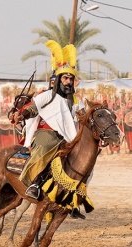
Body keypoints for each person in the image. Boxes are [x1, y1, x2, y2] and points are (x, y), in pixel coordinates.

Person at [12, 40, 85, 217]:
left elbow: (84, 116)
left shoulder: (75, 101)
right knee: (45, 148)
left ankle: (73, 199)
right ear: (59, 80)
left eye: (71, 79)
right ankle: (35, 184)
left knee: (81, 162)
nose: (68, 82)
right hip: (46, 134)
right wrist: (22, 114)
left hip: (67, 138)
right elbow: (31, 109)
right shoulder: (46, 96)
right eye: (65, 78)